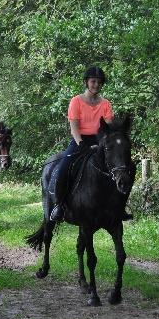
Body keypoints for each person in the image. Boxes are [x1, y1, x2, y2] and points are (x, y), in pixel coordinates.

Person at [49, 66, 114, 222]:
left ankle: (117, 206)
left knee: (118, 167)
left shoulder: (105, 104)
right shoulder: (76, 101)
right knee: (63, 168)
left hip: (100, 142)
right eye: (93, 81)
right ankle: (59, 205)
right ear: (87, 82)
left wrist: (101, 144)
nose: (96, 85)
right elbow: (74, 129)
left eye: (99, 82)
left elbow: (108, 127)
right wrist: (83, 145)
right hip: (80, 141)